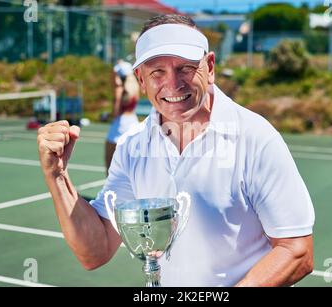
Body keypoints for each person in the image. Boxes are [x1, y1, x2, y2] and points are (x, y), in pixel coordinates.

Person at [37, 14, 315, 287]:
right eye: (157, 71)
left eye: (185, 67)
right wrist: (57, 175)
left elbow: (297, 251)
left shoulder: (256, 137)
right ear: (141, 79)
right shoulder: (132, 145)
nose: (173, 84)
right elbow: (95, 252)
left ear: (210, 67)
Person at [105, 58, 140, 175]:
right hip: (133, 124)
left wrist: (106, 116)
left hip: (119, 126)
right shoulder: (135, 87)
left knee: (110, 165)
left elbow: (116, 112)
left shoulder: (120, 90)